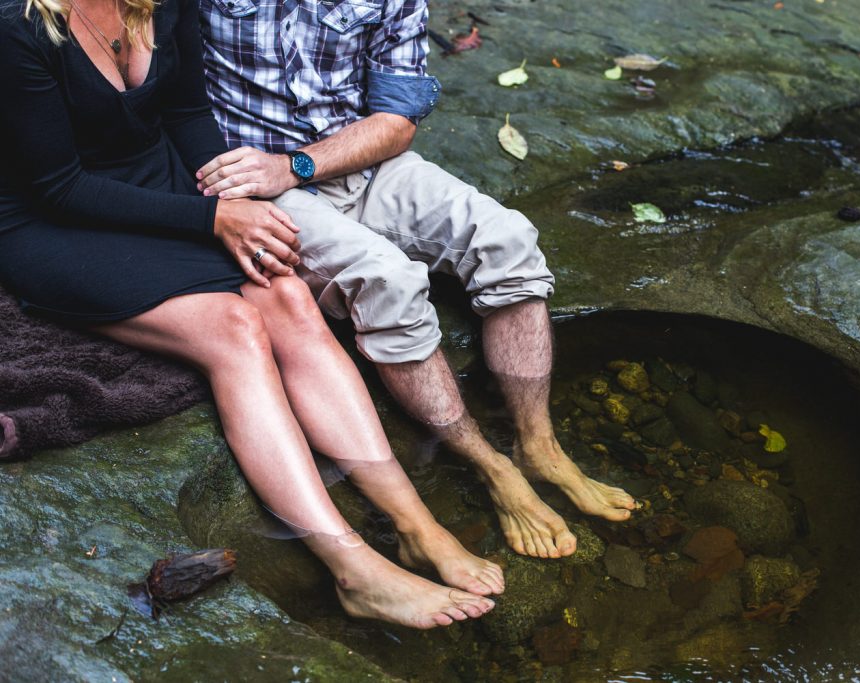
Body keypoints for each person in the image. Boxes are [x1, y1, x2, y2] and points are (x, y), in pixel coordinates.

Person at [0, 0, 503, 629]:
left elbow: (184, 110)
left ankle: (415, 526)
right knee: (235, 330)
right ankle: (353, 568)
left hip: (155, 182)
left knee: (288, 293)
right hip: (52, 219)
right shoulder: (17, 25)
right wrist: (212, 219)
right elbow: (57, 185)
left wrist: (231, 191)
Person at [195, 0, 637, 559]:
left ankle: (537, 443)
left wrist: (299, 163)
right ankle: (491, 466)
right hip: (263, 188)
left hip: (358, 162)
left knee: (507, 239)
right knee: (389, 281)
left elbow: (397, 121)